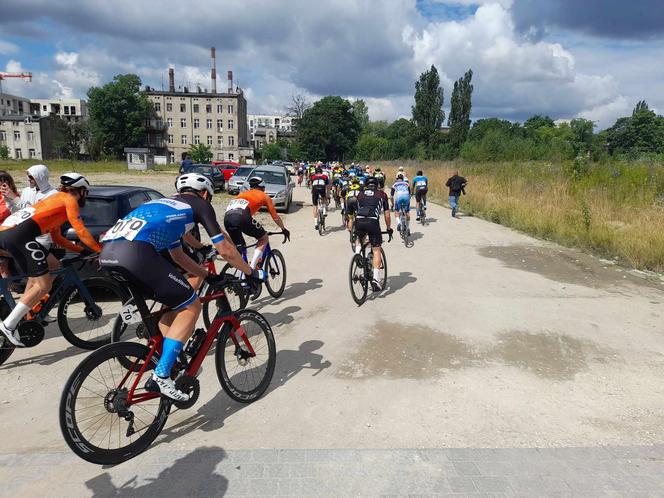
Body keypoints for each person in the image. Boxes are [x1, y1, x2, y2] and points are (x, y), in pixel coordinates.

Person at [100, 173, 263, 401]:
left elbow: (178, 257)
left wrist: (206, 275)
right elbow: (225, 249)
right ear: (205, 194)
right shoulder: (198, 204)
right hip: (135, 254)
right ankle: (162, 375)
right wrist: (251, 273)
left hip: (108, 255)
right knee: (192, 307)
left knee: (173, 307)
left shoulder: (167, 209)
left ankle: (170, 361)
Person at [0, 173, 102, 346]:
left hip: (10, 234)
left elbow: (57, 238)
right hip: (19, 237)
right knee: (44, 284)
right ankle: (8, 325)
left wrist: (80, 250)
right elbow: (81, 231)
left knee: (52, 265)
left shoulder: (56, 200)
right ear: (81, 191)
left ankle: (26, 312)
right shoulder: (69, 200)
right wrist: (100, 250)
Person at [224, 176, 290, 270]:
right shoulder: (264, 196)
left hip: (227, 218)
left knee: (241, 248)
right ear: (263, 187)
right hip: (242, 217)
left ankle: (243, 277)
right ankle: (252, 268)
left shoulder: (242, 194)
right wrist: (283, 229)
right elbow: (275, 217)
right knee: (263, 237)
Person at [354, 177, 392, 292]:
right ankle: (375, 279)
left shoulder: (360, 194)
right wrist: (389, 228)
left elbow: (357, 208)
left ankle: (357, 255)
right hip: (372, 221)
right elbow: (387, 215)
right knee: (376, 249)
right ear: (377, 185)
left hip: (359, 220)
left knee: (360, 237)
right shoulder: (382, 194)